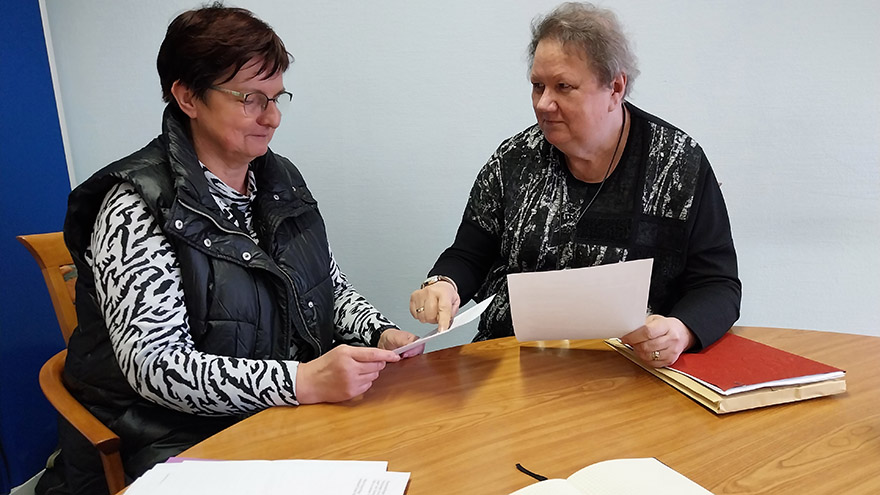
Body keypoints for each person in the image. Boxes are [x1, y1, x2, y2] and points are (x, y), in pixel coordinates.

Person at [59, 4, 422, 494]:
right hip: (171, 438)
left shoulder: (277, 178)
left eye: (277, 98)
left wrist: (378, 332)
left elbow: (325, 285)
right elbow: (156, 366)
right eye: (251, 98)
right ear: (187, 96)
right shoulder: (136, 204)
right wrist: (300, 381)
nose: (271, 118)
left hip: (273, 416)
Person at [410, 2, 741, 368]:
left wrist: (682, 330)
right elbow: (469, 253)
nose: (544, 104)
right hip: (512, 361)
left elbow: (717, 284)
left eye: (563, 87)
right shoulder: (514, 160)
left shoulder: (677, 164)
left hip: (631, 370)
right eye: (538, 86)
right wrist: (444, 283)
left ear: (615, 87)